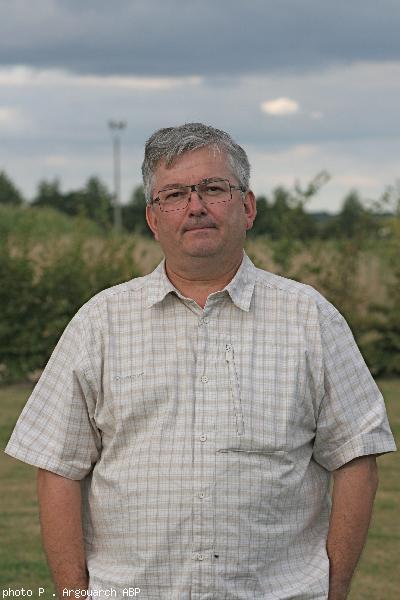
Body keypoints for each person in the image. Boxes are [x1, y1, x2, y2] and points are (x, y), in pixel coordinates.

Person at [5, 123, 396, 600]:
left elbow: (356, 457)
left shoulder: (310, 318)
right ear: (152, 218)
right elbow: (57, 467)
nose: (195, 206)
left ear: (247, 206)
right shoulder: (99, 323)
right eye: (174, 194)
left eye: (213, 188)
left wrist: (332, 592)